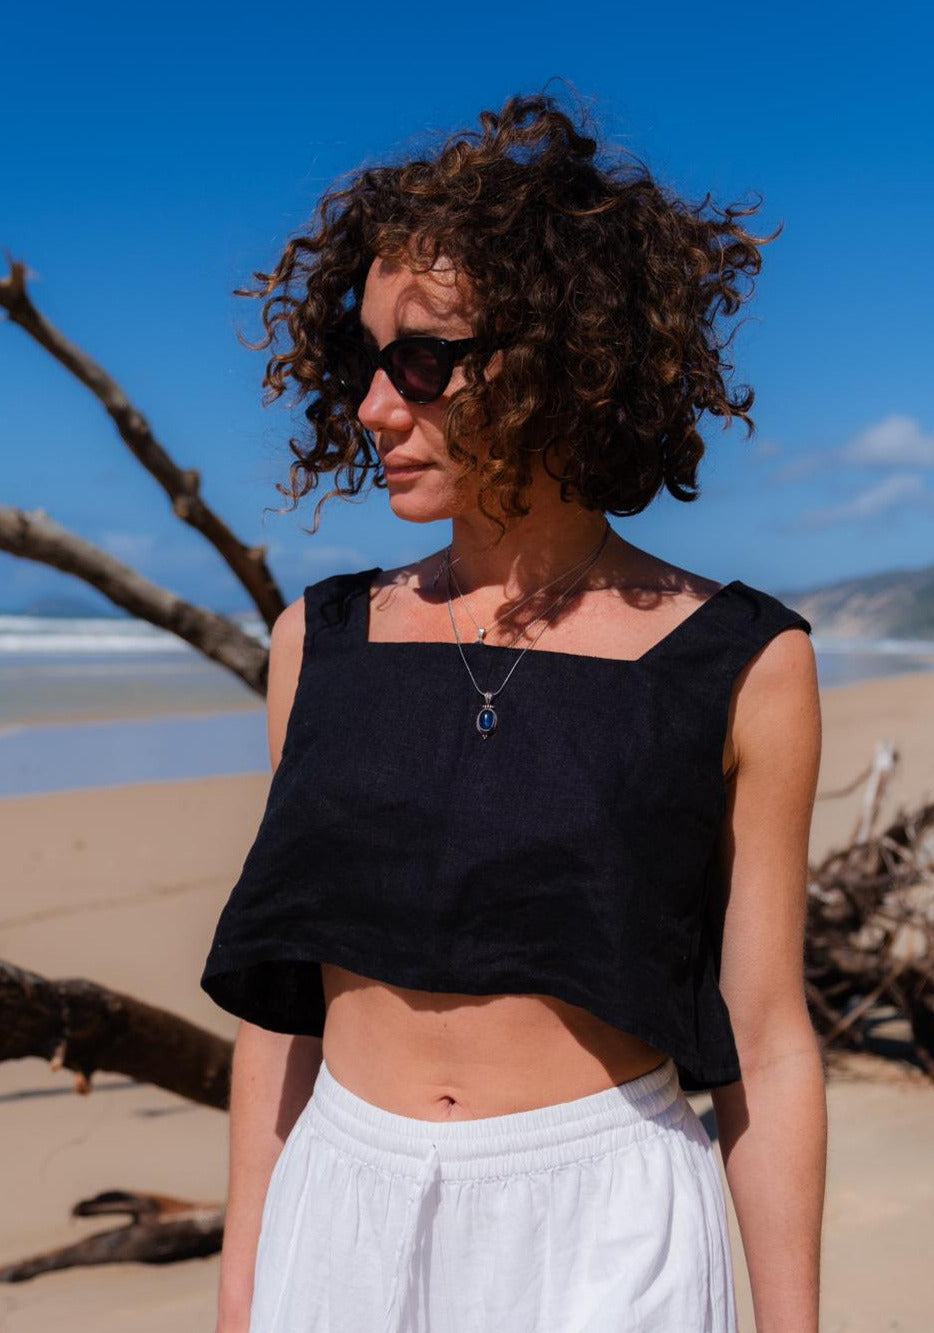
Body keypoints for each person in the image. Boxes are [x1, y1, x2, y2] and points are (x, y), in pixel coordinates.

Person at [202, 90, 826, 1333]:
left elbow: (762, 1037)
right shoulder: (312, 645)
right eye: (365, 361)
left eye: (421, 360)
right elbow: (284, 1014)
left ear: (554, 359)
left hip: (609, 1227)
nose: (376, 407)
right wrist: (241, 1293)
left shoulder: (745, 661)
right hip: (342, 1207)